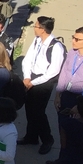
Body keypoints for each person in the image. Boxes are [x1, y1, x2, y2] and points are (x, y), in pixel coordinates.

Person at [48, 26, 83, 164]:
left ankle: (75, 163)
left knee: (78, 132)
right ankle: (62, 159)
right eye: (73, 37)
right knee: (63, 127)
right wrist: (58, 94)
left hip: (81, 98)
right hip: (66, 96)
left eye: (77, 39)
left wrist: (79, 104)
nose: (73, 41)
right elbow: (64, 73)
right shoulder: (72, 53)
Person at [18, 16, 66, 154]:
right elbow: (27, 60)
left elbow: (53, 71)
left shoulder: (56, 47)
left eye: (36, 26)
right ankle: (31, 136)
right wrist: (27, 77)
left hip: (44, 82)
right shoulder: (37, 40)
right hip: (31, 77)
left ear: (43, 29)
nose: (34, 28)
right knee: (29, 109)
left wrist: (32, 82)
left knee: (38, 112)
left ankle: (47, 139)